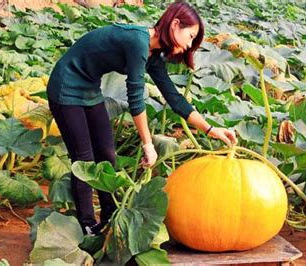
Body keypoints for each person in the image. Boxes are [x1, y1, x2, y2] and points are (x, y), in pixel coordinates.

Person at [46, 1, 237, 235]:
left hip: (90, 88)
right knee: (84, 159)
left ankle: (108, 216)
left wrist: (210, 129)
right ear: (175, 24)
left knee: (106, 154)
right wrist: (148, 145)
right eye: (190, 36)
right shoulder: (138, 42)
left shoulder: (153, 56)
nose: (189, 46)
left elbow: (174, 98)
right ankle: (87, 225)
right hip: (66, 86)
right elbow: (135, 97)